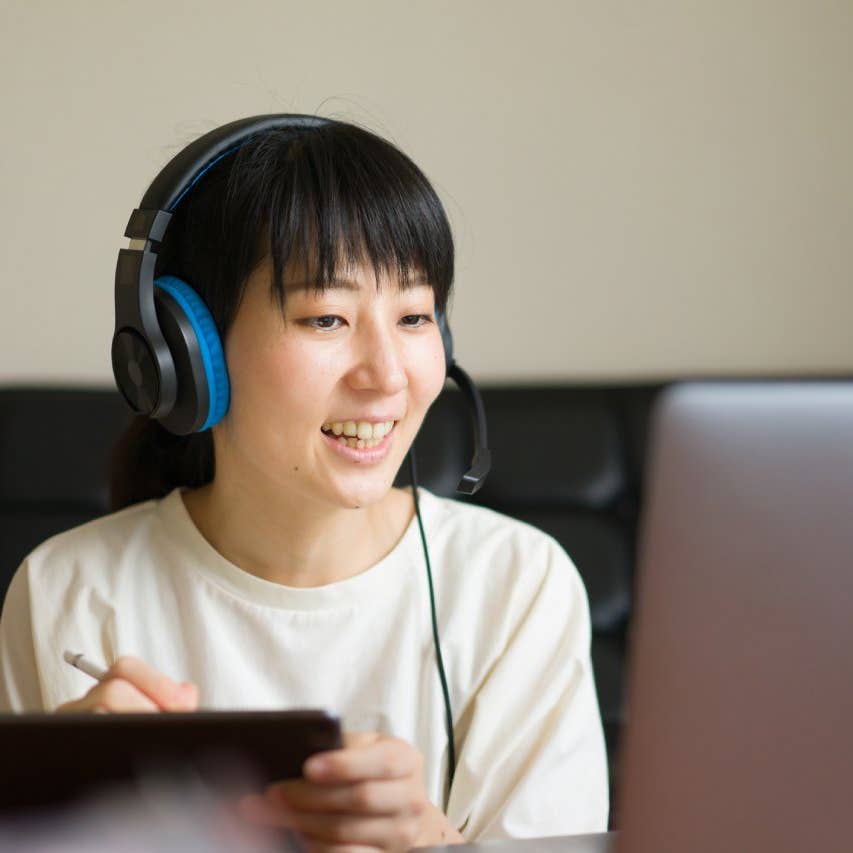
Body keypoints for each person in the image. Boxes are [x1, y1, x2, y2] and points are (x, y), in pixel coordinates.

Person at [0, 117, 609, 846]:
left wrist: (429, 844)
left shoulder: (515, 584)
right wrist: (61, 814)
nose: (386, 374)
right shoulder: (66, 589)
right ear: (187, 352)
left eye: (414, 315)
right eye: (326, 317)